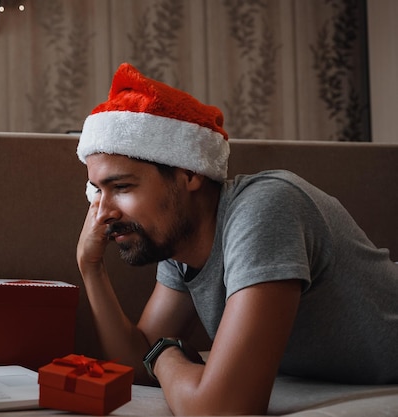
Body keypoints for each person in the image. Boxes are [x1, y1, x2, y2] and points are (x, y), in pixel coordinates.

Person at [75, 63, 398, 416]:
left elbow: (224, 410)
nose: (103, 211)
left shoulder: (266, 207)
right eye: (97, 191)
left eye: (121, 187)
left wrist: (164, 355)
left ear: (189, 172)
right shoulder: (178, 241)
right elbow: (136, 366)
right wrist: (91, 268)